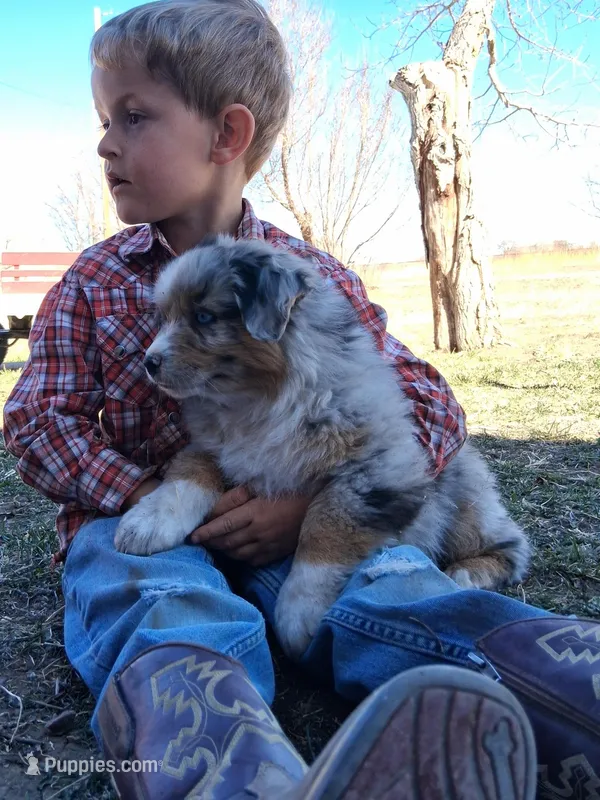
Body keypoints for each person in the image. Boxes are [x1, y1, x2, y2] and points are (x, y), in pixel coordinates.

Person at [4, 1, 598, 797]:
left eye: (133, 116)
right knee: (163, 604)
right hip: (136, 535)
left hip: (296, 535)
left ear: (228, 135)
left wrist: (318, 506)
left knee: (393, 586)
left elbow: (424, 397)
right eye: (103, 120)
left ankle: (560, 700)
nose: (105, 141)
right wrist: (152, 497)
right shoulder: (93, 282)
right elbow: (41, 422)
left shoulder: (306, 276)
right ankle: (232, 775)